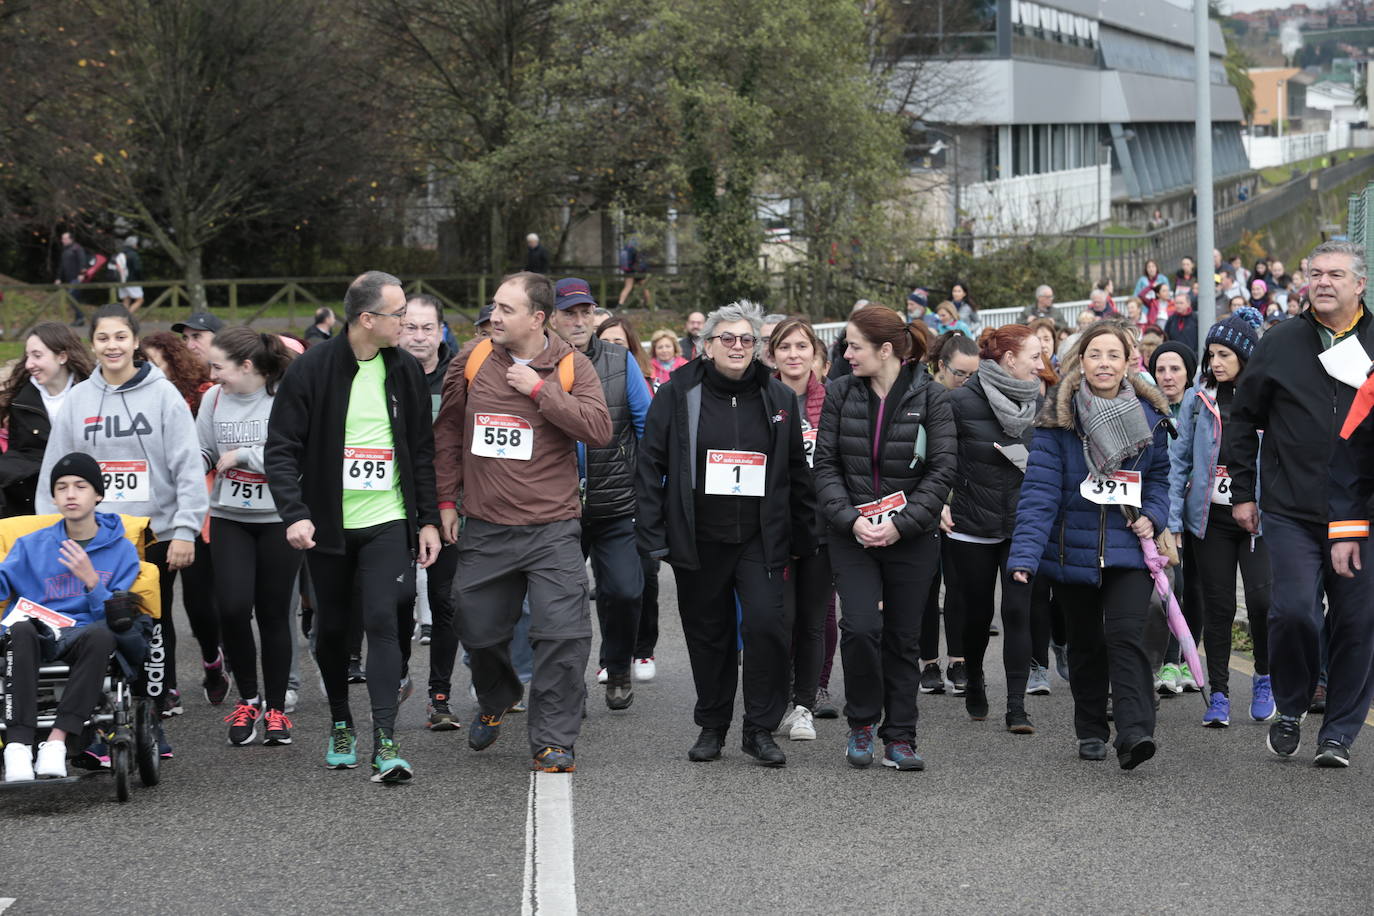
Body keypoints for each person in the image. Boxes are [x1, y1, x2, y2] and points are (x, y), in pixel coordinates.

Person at [265, 271, 442, 783]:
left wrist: (426, 519)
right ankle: (341, 721)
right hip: (328, 526)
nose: (407, 321)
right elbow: (281, 448)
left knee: (386, 620)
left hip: (387, 517)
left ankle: (386, 741)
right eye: (398, 314)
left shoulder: (403, 369)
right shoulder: (314, 369)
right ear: (368, 320)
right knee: (335, 628)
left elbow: (421, 451)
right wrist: (295, 513)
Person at [433, 271, 610, 773]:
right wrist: (447, 501)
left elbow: (598, 430)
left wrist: (540, 391)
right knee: (475, 626)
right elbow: (447, 434)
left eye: (506, 310)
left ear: (537, 318)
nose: (494, 317)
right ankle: (498, 694)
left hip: (552, 528)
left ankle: (553, 740)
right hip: (486, 526)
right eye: (493, 307)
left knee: (562, 635)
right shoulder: (471, 360)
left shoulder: (572, 366)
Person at [635, 299, 816, 767]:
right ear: (706, 345)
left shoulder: (777, 398)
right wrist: (653, 535)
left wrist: (803, 538)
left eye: (747, 340)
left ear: (758, 348)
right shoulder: (678, 393)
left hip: (761, 538)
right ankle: (712, 726)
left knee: (767, 629)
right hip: (700, 539)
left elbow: (796, 472)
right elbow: (650, 463)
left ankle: (758, 728)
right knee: (709, 635)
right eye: (727, 339)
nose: (737, 346)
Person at [1227, 240, 1374, 763]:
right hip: (1290, 508)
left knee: (1358, 623)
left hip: (1360, 513)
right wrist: (1243, 492)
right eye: (1315, 273)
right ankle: (1291, 705)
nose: (1324, 282)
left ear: (1360, 283)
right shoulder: (1281, 341)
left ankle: (1337, 733)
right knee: (1293, 613)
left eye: (1336, 273)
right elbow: (1243, 419)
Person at [36, 304, 209, 736]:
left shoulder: (163, 394)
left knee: (153, 617)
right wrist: (46, 530)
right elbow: (54, 470)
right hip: (94, 533)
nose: (112, 345)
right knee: (95, 617)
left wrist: (186, 529)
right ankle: (102, 703)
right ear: (92, 345)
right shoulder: (78, 399)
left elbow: (187, 465)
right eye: (102, 338)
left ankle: (157, 696)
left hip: (155, 530)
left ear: (134, 341)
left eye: (119, 337)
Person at [1007, 322, 1173, 769]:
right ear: (1081, 362)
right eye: (1095, 354)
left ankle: (1136, 731)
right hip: (1070, 550)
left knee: (1125, 635)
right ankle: (1091, 729)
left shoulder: (1150, 416)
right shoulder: (1058, 420)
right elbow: (1039, 492)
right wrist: (1024, 556)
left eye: (1113, 355)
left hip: (1127, 548)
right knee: (1085, 643)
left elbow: (1159, 481)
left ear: (1127, 363)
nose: (1104, 363)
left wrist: (1153, 516)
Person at [813, 305, 956, 771]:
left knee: (903, 638)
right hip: (851, 532)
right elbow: (827, 467)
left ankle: (900, 737)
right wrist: (851, 518)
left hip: (911, 536)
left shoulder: (932, 397)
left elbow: (942, 470)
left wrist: (902, 522)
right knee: (859, 628)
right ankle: (861, 723)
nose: (846, 353)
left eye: (854, 345)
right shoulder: (838, 393)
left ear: (886, 349)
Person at [1, 453, 146, 782]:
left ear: (97, 494)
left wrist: (91, 580)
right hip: (37, 631)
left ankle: (56, 742)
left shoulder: (121, 549)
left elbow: (117, 616)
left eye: (81, 486)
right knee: (19, 631)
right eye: (62, 487)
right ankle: (18, 746)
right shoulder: (31, 545)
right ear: (53, 497)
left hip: (84, 634)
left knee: (101, 634)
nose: (70, 494)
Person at [1168, 308, 1273, 729]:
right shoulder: (1197, 400)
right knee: (1218, 606)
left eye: (1224, 354)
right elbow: (1178, 462)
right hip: (1208, 518)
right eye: (1211, 354)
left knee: (1264, 604)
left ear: (1245, 357)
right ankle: (1220, 693)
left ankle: (1264, 678)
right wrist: (1174, 521)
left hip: (1258, 519)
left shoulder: (1267, 398)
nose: (1215, 362)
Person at [549, 278, 650, 711]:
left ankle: (619, 665)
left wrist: (650, 490)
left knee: (626, 591)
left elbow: (646, 425)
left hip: (616, 503)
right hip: (556, 507)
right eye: (568, 312)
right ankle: (570, 685)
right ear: (549, 317)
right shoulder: (536, 364)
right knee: (563, 606)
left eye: (585, 312)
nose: (578, 320)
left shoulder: (618, 359)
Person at [198, 328, 302, 746]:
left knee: (274, 613)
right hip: (230, 517)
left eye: (218, 366)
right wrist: (194, 462)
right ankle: (249, 700)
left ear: (246, 366)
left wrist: (243, 456)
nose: (212, 374)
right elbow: (204, 448)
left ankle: (277, 709)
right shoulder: (213, 398)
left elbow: (296, 452)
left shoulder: (284, 396)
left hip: (279, 518)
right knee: (234, 609)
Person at [942, 324, 1046, 733]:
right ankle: (976, 682)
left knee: (1018, 610)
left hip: (1022, 524)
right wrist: (942, 502)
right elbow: (939, 458)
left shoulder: (1041, 403)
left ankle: (1016, 706)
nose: (1042, 364)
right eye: (1035, 357)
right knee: (977, 612)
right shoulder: (960, 401)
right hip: (972, 523)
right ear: (1009, 359)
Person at [398, 294, 463, 730]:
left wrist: (453, 503)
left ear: (440, 331)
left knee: (445, 602)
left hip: (446, 506)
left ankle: (439, 697)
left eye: (427, 328)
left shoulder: (459, 378)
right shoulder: (382, 375)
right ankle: (397, 671)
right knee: (396, 600)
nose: (419, 336)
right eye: (410, 328)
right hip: (391, 505)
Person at [768, 317, 831, 741]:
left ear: (815, 355)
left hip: (823, 525)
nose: (794, 354)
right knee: (775, 618)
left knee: (812, 619)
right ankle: (771, 699)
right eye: (785, 347)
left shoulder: (835, 401)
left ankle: (804, 704)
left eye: (802, 347)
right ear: (772, 354)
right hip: (769, 526)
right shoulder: (758, 397)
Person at [599, 318, 660, 680]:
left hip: (636, 495)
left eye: (619, 342)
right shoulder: (585, 377)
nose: (612, 348)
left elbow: (651, 438)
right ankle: (610, 657)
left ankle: (644, 650)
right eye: (605, 341)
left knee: (644, 579)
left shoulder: (644, 384)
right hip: (598, 499)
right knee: (609, 588)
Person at [0, 324, 94, 517]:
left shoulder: (94, 394)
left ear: (62, 357)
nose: (28, 364)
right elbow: (18, 456)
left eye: (37, 355)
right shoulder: (19, 402)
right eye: (28, 356)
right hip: (34, 502)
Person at [597, 317, 654, 388]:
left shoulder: (642, 381)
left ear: (631, 346)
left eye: (618, 343)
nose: (610, 348)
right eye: (604, 342)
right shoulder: (587, 374)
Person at [53, 231, 88, 326]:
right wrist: (58, 278)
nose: (62, 240)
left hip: (76, 278)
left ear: (70, 239)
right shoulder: (65, 250)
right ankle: (79, 319)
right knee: (74, 298)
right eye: (62, 238)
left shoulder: (77, 248)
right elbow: (61, 265)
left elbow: (83, 261)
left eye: (64, 238)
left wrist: (81, 274)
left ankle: (80, 317)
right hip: (68, 279)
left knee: (71, 296)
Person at [617, 239, 651, 307]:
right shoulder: (638, 247)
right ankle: (650, 305)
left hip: (628, 270)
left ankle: (620, 304)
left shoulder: (627, 247)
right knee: (645, 287)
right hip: (639, 271)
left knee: (627, 287)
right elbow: (642, 261)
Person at [115, 237, 144, 313]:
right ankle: (128, 318)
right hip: (132, 281)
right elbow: (137, 269)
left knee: (126, 300)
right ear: (133, 244)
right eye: (136, 244)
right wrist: (141, 279)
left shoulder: (121, 253)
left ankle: (123, 320)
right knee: (140, 300)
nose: (137, 246)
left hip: (121, 280)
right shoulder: (133, 254)